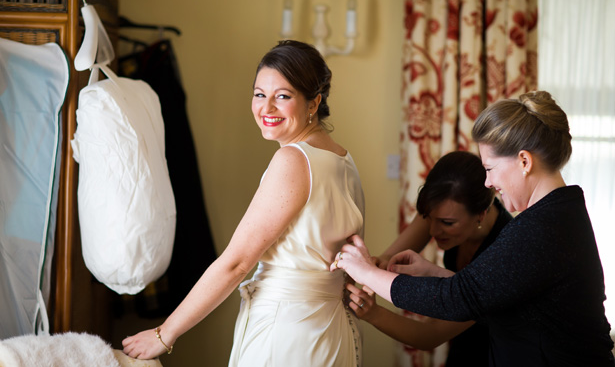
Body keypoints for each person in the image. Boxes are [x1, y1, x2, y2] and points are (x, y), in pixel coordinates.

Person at [122, 40, 365, 366]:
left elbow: (237, 263)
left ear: (313, 102)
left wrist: (164, 334)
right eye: (259, 94)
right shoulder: (343, 159)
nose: (266, 108)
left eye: (283, 96)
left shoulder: (293, 160)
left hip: (287, 332)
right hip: (332, 330)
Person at [333, 91, 615, 366]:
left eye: (490, 169)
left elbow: (458, 300)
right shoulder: (558, 215)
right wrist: (430, 272)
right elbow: (495, 294)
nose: (488, 183)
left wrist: (365, 271)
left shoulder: (541, 228)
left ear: (524, 161)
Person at [346, 151, 512, 366]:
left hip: (492, 355)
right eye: (428, 218)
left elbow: (430, 334)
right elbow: (387, 260)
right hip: (459, 347)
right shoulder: (443, 211)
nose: (433, 230)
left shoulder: (502, 253)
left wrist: (373, 313)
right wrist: (375, 266)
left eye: (447, 223)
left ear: (481, 213)